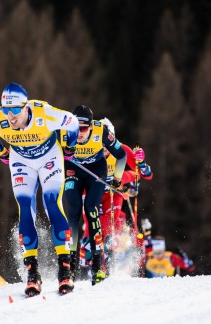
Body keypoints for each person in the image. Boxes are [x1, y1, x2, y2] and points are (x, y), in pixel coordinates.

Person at [0, 82, 79, 296]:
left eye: (15, 110)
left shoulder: (45, 114)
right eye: (6, 110)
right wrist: (0, 151)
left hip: (49, 157)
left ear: (26, 107)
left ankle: (65, 268)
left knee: (52, 203)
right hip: (21, 160)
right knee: (25, 207)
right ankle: (33, 273)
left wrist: (69, 148)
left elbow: (72, 122)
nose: (10, 117)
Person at [61, 105, 127, 285]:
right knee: (73, 211)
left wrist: (117, 179)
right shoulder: (64, 130)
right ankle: (70, 268)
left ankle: (97, 265)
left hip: (96, 171)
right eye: (76, 128)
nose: (79, 133)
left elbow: (121, 155)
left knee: (91, 208)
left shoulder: (101, 131)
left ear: (90, 126)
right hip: (74, 170)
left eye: (83, 129)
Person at [98, 118, 153, 274]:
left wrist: (141, 163)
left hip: (113, 192)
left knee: (111, 226)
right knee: (93, 228)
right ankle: (92, 258)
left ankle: (108, 263)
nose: (104, 149)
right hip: (94, 192)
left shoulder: (121, 149)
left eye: (107, 144)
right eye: (101, 143)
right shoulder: (90, 147)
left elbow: (144, 175)